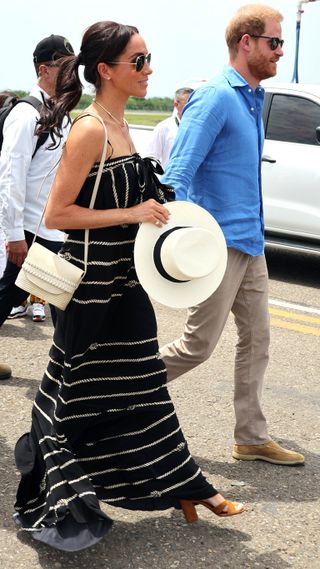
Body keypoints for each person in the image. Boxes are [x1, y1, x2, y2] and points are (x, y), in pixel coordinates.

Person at [13, 21, 244, 553]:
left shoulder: (121, 124)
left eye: (147, 59)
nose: (149, 69)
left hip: (125, 283)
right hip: (90, 289)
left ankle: (190, 488)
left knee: (145, 389)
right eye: (138, 62)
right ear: (105, 70)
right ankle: (62, 496)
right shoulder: (90, 128)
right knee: (70, 395)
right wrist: (133, 209)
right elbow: (59, 213)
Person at [160, 3, 305, 466]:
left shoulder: (252, 96)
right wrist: (170, 240)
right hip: (218, 244)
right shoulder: (217, 96)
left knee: (258, 339)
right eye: (274, 42)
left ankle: (251, 436)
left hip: (252, 242)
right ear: (247, 43)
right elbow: (179, 171)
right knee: (196, 347)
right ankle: (111, 393)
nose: (280, 51)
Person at [0, 34, 75, 334]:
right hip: (30, 231)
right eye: (64, 66)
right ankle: (65, 373)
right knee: (9, 296)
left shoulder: (63, 116)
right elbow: (11, 177)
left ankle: (63, 372)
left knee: (61, 303)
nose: (71, 74)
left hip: (53, 229)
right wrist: (15, 234)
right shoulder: (25, 115)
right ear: (44, 70)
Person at [146, 87, 194, 169]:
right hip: (169, 180)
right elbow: (151, 158)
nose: (193, 107)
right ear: (176, 104)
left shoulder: (201, 128)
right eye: (188, 104)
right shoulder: (163, 128)